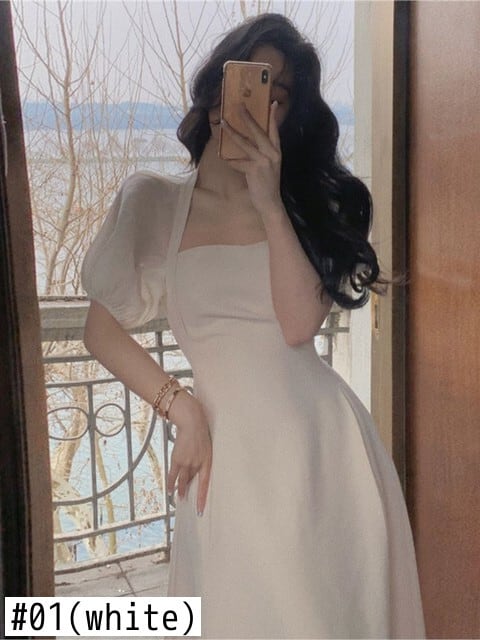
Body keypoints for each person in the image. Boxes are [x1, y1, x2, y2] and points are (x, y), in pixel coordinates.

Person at [81, 13, 426, 640]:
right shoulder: (153, 201)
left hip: (319, 451)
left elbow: (297, 327)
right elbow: (99, 332)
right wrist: (182, 408)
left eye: (276, 92)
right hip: (223, 456)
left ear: (287, 115)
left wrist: (269, 200)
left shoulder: (302, 205)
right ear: (217, 85)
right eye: (245, 78)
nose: (251, 102)